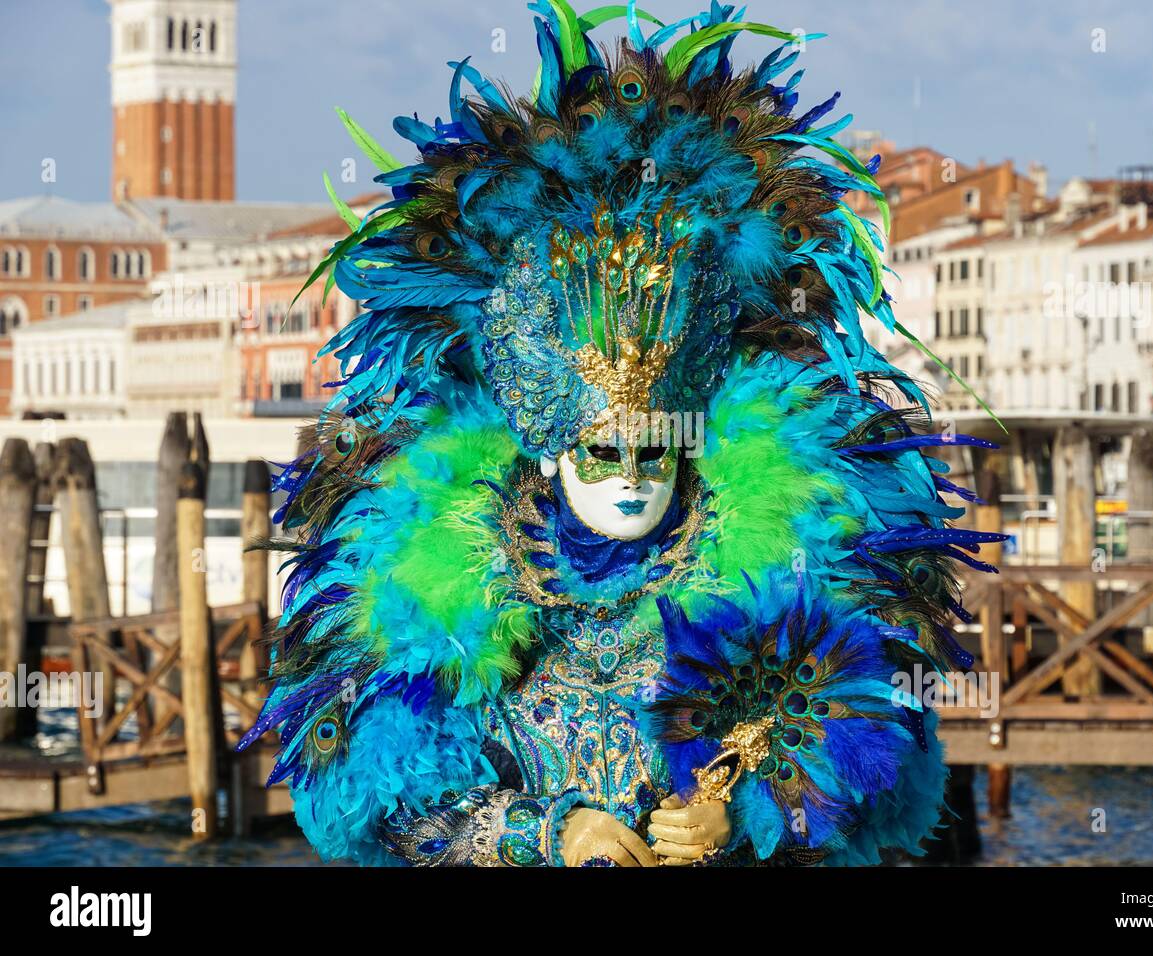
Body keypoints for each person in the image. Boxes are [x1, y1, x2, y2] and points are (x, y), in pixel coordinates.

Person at [239, 0, 1004, 867]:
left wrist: (746, 812)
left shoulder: (782, 568)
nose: (634, 476)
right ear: (554, 449)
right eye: (604, 450)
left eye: (656, 449)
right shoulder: (438, 585)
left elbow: (885, 778)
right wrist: (538, 833)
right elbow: (365, 806)